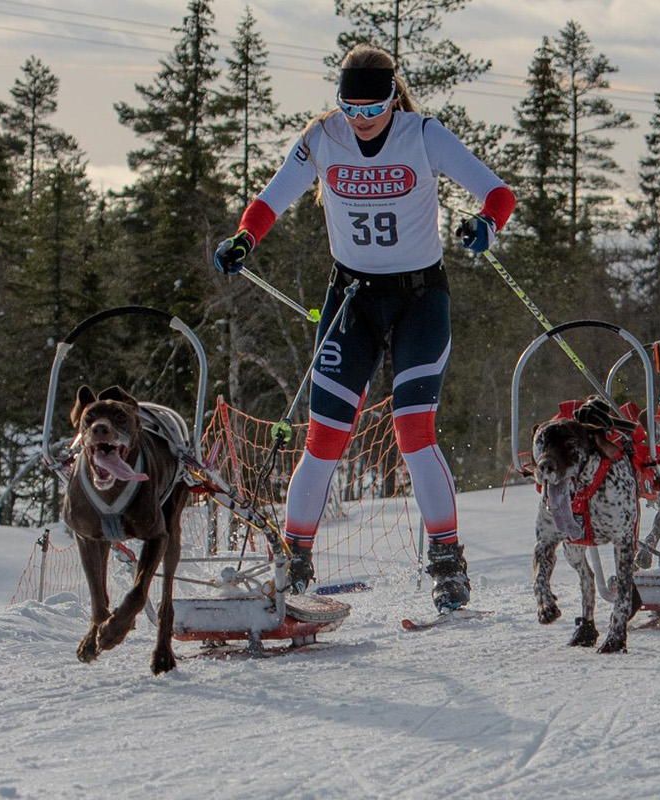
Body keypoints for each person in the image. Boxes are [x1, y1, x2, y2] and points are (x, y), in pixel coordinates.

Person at [213, 44, 516, 612]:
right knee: (324, 437)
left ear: (391, 96)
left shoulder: (422, 134)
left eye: (370, 107)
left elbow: (499, 193)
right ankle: (295, 563)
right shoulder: (322, 138)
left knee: (412, 432)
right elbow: (271, 198)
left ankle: (447, 562)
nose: (360, 118)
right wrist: (244, 239)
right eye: (348, 108)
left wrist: (485, 225)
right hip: (350, 300)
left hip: (419, 300)